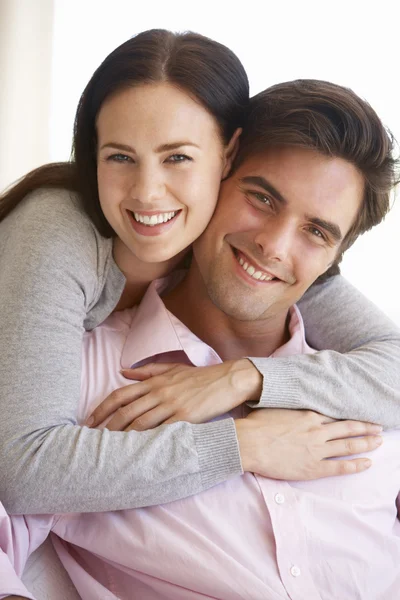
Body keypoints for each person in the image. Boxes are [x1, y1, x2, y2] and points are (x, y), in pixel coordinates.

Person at [1, 79, 399, 600]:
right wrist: (241, 445)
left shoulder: (371, 392)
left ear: (333, 259)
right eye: (261, 198)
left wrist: (246, 379)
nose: (273, 245)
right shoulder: (80, 381)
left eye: (316, 232)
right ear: (216, 176)